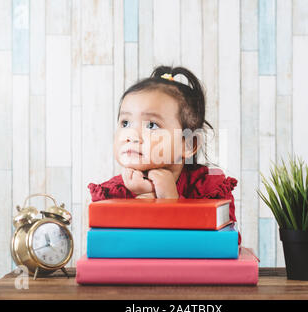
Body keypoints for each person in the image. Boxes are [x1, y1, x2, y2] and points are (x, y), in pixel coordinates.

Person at [88, 65, 240, 244]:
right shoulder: (111, 194)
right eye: (125, 123)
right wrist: (142, 201)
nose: (131, 136)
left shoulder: (210, 191)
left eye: (151, 125)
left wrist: (171, 201)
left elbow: (226, 244)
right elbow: (109, 246)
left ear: (189, 143)